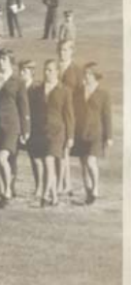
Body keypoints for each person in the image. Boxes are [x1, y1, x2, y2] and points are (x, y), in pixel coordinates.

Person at [0, 48, 29, 208]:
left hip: (11, 125)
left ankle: (8, 190)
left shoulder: (18, 82)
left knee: (2, 157)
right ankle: (2, 194)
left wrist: (25, 129)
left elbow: (24, 108)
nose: (1, 63)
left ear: (11, 63)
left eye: (4, 60)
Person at [30, 60, 74, 208]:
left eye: (50, 70)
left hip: (57, 132)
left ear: (57, 72)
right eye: (45, 70)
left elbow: (69, 115)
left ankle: (44, 195)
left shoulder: (65, 91)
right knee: (45, 162)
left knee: (49, 161)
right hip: (41, 131)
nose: (46, 73)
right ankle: (54, 197)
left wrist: (70, 136)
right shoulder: (37, 89)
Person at [72, 62, 113, 205]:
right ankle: (88, 192)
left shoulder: (103, 94)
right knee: (83, 164)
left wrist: (109, 136)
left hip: (96, 133)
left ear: (96, 76)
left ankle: (95, 188)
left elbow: (107, 116)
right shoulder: (78, 91)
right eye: (85, 73)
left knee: (90, 161)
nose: (86, 76)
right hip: (80, 132)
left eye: (89, 73)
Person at [57, 39, 82, 196]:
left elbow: (80, 96)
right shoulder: (54, 68)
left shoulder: (76, 71)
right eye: (60, 49)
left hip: (70, 114)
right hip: (55, 113)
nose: (62, 52)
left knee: (63, 151)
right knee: (61, 151)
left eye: (66, 50)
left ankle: (63, 185)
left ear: (72, 51)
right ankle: (67, 185)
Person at [18, 60, 42, 199]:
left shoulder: (36, 89)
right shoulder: (17, 86)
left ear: (32, 73)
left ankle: (39, 186)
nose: (21, 73)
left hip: (34, 128)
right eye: (21, 70)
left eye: (25, 71)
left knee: (35, 159)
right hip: (19, 127)